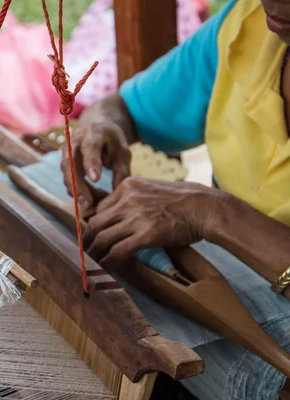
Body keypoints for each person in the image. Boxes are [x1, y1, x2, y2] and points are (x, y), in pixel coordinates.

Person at [63, 0, 290, 289]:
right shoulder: (247, 24)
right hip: (228, 278)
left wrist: (214, 214)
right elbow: (123, 107)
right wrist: (99, 126)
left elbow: (211, 213)